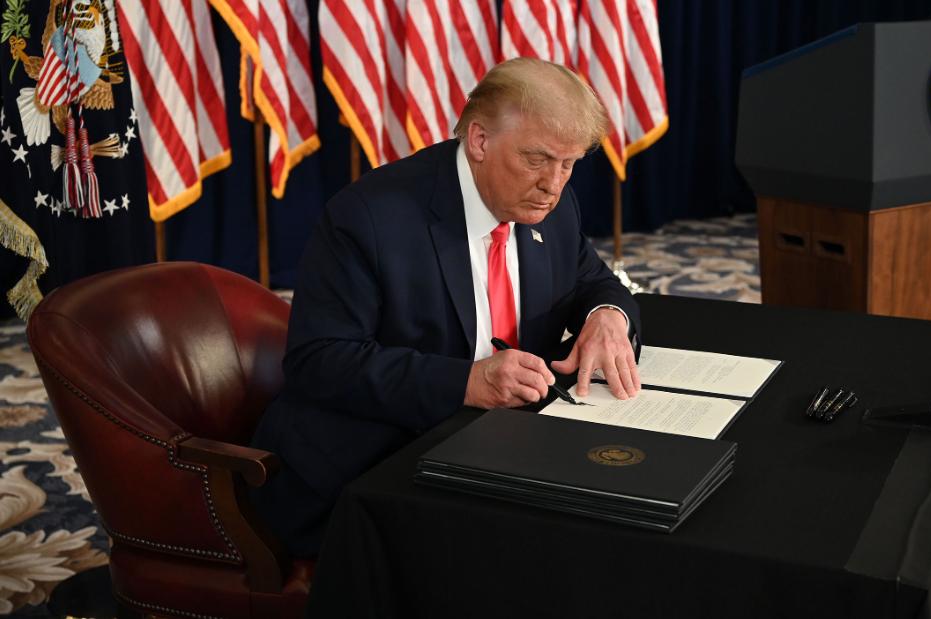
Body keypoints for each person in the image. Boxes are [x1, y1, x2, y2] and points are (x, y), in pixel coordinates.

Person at [251, 57, 641, 557]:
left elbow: (591, 282)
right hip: (373, 468)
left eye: (569, 164)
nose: (554, 184)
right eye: (538, 159)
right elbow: (319, 361)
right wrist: (467, 382)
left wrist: (607, 316)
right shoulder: (370, 217)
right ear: (479, 140)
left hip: (500, 451)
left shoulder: (553, 205)